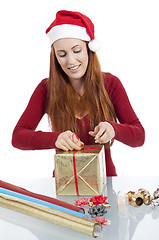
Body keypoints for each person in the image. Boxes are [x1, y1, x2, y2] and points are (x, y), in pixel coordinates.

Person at [12, 10, 145, 176]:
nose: (71, 61)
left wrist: (114, 129)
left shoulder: (111, 84)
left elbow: (139, 136)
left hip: (105, 183)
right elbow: (18, 137)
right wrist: (55, 138)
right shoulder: (46, 89)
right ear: (55, 57)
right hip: (64, 184)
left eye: (76, 51)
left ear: (89, 49)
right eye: (62, 54)